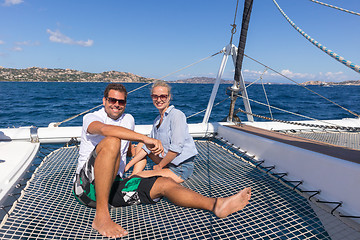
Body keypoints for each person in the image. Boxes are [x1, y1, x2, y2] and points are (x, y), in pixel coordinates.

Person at [73, 83, 251, 239]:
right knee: (112, 140)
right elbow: (104, 130)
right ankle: (101, 217)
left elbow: (125, 150)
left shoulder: (129, 120)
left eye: (121, 102)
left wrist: (141, 152)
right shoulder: (92, 117)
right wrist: (145, 139)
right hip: (87, 188)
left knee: (164, 183)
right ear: (104, 101)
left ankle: (216, 205)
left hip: (114, 186)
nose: (117, 105)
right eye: (112, 100)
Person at [125, 80, 198, 183]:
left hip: (180, 168)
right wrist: (128, 165)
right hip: (168, 162)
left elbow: (176, 148)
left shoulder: (177, 115)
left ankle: (134, 177)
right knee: (142, 144)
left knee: (139, 178)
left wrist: (159, 166)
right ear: (152, 98)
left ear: (169, 97)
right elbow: (147, 147)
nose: (159, 100)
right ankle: (133, 174)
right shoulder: (157, 120)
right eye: (155, 96)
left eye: (163, 96)